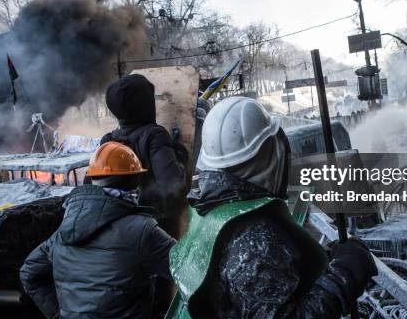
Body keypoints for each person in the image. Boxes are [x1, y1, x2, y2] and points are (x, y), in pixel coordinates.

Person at [169, 97, 377, 318]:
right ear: (268, 155)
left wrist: (318, 261)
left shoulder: (208, 212)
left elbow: (250, 287)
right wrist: (344, 276)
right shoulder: (254, 236)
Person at [20, 142, 175, 319]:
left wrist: (57, 313)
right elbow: (188, 269)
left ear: (93, 179)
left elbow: (29, 273)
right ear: (134, 181)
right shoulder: (142, 229)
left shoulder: (63, 232)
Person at [99, 74, 188, 238]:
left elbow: (94, 187)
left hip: (118, 226)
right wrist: (180, 154)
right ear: (146, 105)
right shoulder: (154, 135)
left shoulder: (108, 140)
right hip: (156, 226)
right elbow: (172, 183)